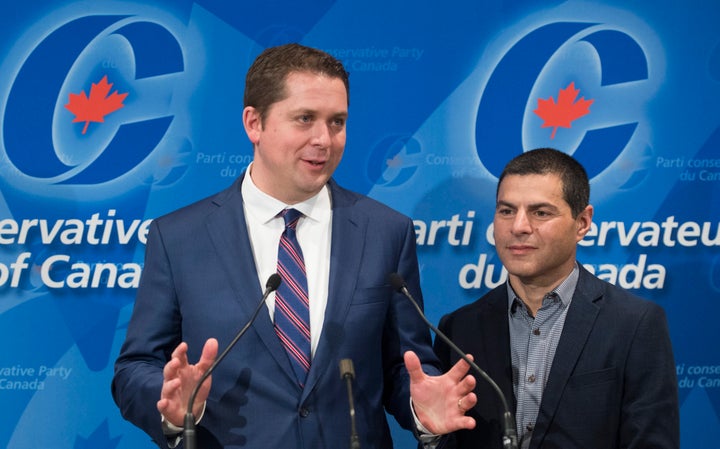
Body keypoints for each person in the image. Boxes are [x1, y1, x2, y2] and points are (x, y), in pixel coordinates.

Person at [112, 43, 477, 449]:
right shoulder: (179, 236)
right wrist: (172, 408)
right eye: (305, 119)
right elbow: (137, 365)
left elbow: (403, 366)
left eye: (337, 122)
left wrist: (418, 409)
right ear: (254, 123)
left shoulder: (386, 231)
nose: (324, 139)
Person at [434, 148, 679, 449]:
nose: (519, 226)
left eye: (541, 212)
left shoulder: (634, 324)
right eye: (506, 211)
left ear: (582, 222)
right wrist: (432, 432)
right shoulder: (459, 328)